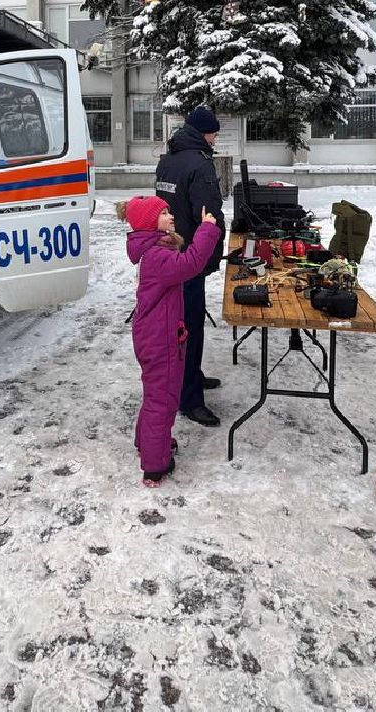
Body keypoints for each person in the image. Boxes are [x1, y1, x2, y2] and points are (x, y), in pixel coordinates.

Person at [123, 195, 222, 486]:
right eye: (163, 213)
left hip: (154, 334)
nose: (170, 215)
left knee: (155, 393)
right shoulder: (157, 256)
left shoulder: (154, 249)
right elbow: (191, 263)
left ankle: (149, 441)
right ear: (148, 223)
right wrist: (206, 229)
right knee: (163, 400)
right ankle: (156, 464)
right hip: (160, 339)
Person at [154, 106, 227, 427]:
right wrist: (210, 258)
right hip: (190, 259)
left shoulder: (167, 160)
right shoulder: (200, 164)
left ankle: (192, 378)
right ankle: (190, 399)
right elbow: (208, 214)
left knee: (182, 326)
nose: (215, 138)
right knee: (190, 329)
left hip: (171, 252)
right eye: (213, 133)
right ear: (203, 133)